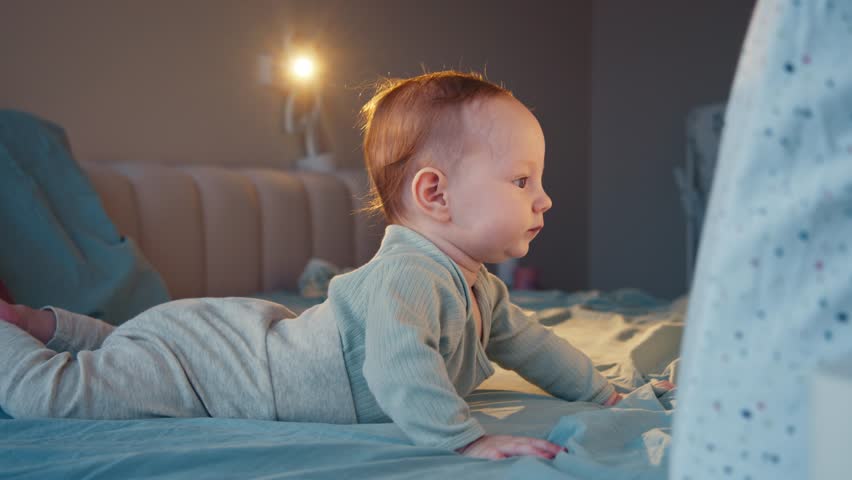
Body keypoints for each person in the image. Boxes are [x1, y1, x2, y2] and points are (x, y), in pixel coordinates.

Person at [0, 71, 670, 460]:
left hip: (235, 341)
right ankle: (18, 328)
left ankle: (46, 323)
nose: (544, 199)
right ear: (434, 194)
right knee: (50, 396)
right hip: (216, 372)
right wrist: (462, 440)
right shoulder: (413, 274)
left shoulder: (476, 285)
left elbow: (533, 344)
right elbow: (397, 365)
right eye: (522, 181)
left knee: (122, 350)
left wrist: (598, 392)